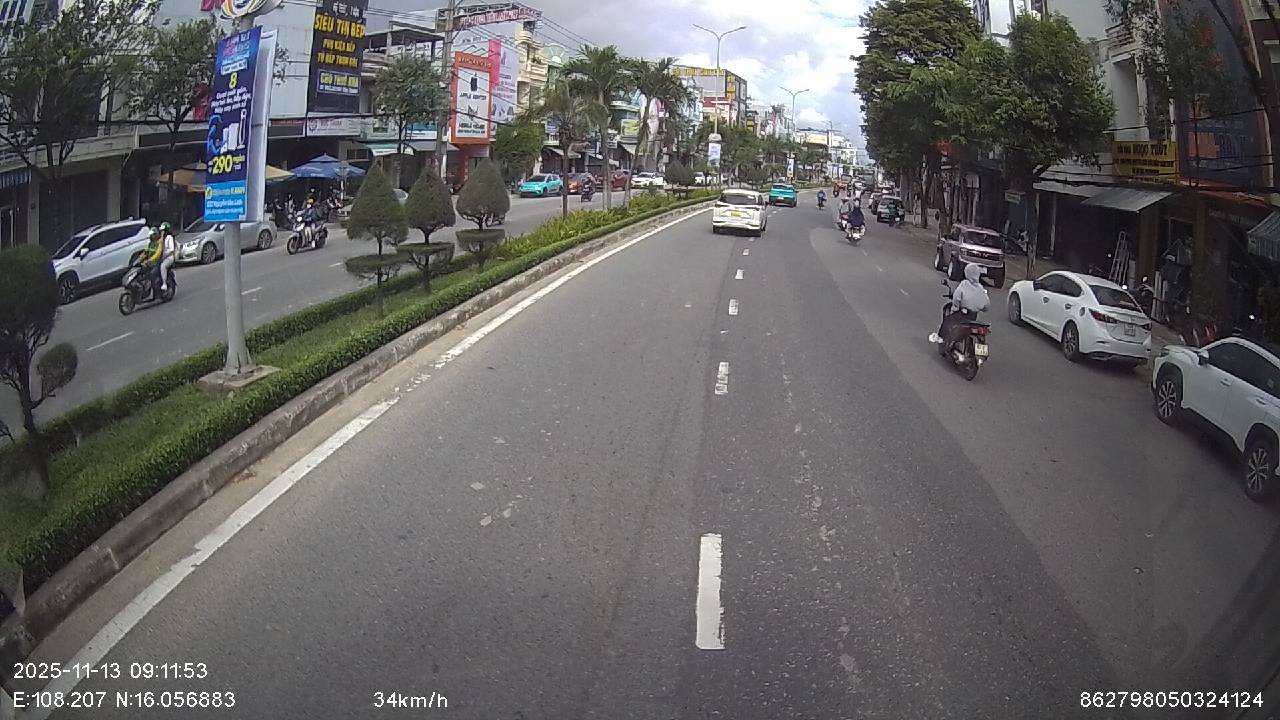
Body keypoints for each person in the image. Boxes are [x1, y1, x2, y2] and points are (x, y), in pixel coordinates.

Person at [932, 263, 990, 346]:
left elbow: (957, 297)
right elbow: (986, 305)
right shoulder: (981, 288)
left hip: (963, 314)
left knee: (948, 320)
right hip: (973, 316)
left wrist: (955, 308)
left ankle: (940, 338)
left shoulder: (964, 284)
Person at [158, 221, 176, 292]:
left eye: (163, 230)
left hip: (169, 257)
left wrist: (165, 256)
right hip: (162, 257)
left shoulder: (169, 238)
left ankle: (164, 283)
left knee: (163, 266)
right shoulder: (162, 238)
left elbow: (171, 250)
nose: (161, 232)